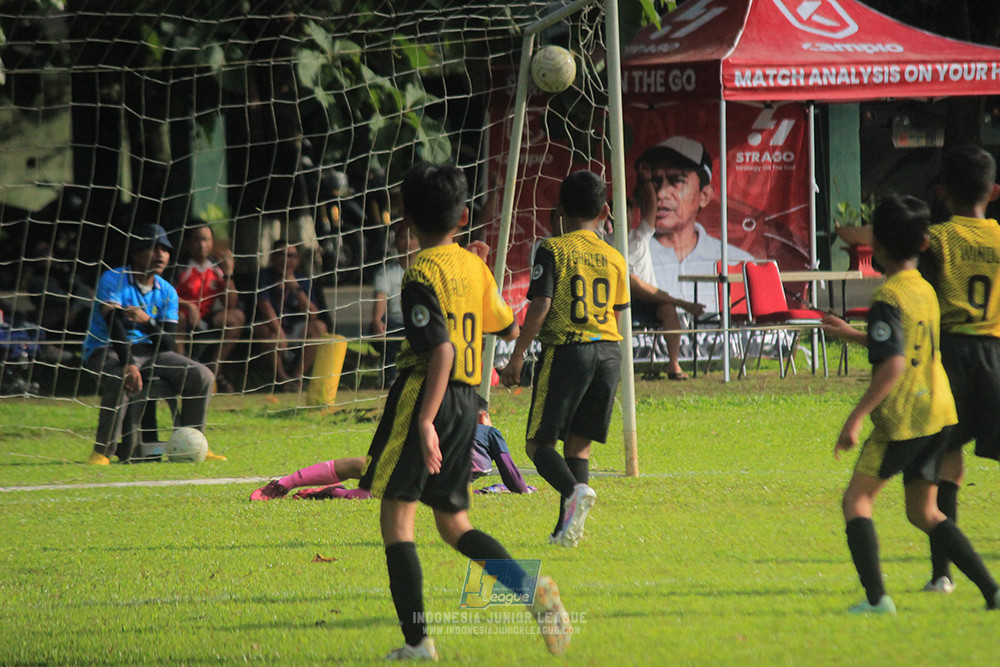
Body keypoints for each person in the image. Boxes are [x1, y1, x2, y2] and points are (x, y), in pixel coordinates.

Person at [356, 161, 570, 660]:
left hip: (426, 396)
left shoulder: (419, 273)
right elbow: (508, 327)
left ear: (407, 218)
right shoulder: (474, 266)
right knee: (453, 523)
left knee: (397, 520)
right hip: (469, 402)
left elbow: (442, 350)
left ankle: (418, 643)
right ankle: (531, 588)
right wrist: (477, 272)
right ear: (464, 216)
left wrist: (423, 421)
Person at [822, 194, 1000, 614]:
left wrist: (855, 417)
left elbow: (894, 363)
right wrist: (852, 334)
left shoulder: (888, 297)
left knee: (856, 502)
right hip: (940, 412)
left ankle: (877, 600)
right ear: (922, 243)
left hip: (904, 419)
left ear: (875, 245)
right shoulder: (925, 289)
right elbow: (908, 343)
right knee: (924, 511)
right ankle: (993, 591)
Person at [500, 170, 630, 548]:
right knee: (578, 446)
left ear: (559, 209)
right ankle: (566, 531)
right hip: (609, 352)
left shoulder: (553, 248)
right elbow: (618, 310)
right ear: (604, 211)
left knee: (538, 445)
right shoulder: (615, 256)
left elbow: (541, 304)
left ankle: (574, 491)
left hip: (570, 349)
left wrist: (518, 356)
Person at [917, 146, 1000, 594]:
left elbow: (924, 300)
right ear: (994, 191)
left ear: (942, 192)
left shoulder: (937, 239)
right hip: (996, 356)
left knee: (944, 459)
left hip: (951, 356)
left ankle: (942, 575)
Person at [82, 223, 225, 464]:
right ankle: (102, 452)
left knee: (202, 376)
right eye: (153, 248)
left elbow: (167, 343)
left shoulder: (167, 291)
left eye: (165, 250)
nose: (161, 255)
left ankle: (194, 444)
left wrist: (146, 320)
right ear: (137, 253)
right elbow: (115, 325)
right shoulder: (113, 279)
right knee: (120, 377)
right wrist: (128, 364)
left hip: (151, 352)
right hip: (107, 350)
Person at [249, 399, 533, 500]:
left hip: (426, 478)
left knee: (370, 481)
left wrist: (498, 489)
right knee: (367, 475)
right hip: (424, 472)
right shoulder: (489, 433)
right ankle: (294, 486)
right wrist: (520, 489)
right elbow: (512, 477)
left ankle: (308, 488)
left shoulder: (460, 431)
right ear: (482, 416)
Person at [634, 136, 755, 314]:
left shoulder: (737, 262)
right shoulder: (632, 253)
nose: (661, 194)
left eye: (677, 181)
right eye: (654, 182)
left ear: (704, 195)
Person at [174, 222, 246, 392]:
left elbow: (231, 303)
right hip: (182, 316)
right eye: (197, 239)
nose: (202, 245)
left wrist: (228, 274)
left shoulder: (216, 267)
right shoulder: (179, 267)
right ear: (188, 243)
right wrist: (189, 306)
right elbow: (166, 295)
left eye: (206, 240)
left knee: (237, 317)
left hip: (206, 317)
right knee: (178, 317)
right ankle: (181, 371)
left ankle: (215, 369)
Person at [252, 240, 329, 391]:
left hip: (295, 328)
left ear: (297, 259)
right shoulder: (264, 277)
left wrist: (295, 289)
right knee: (263, 330)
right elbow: (264, 306)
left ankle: (297, 377)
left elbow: (313, 314)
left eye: (291, 256)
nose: (286, 260)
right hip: (272, 327)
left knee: (320, 327)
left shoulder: (303, 281)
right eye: (281, 255)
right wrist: (278, 331)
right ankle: (282, 379)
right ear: (272, 258)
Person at [370, 219, 419, 385]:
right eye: (403, 238)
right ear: (396, 243)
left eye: (412, 238)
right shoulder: (387, 272)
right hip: (395, 324)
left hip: (420, 322)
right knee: (384, 325)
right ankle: (391, 375)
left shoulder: (427, 268)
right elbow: (380, 299)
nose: (408, 243)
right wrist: (377, 320)